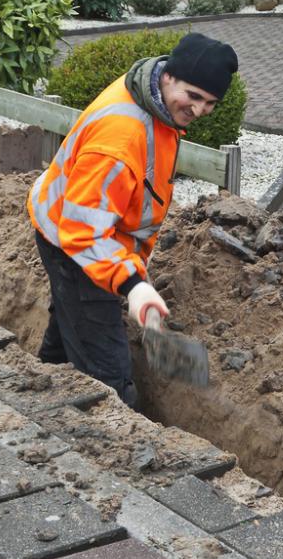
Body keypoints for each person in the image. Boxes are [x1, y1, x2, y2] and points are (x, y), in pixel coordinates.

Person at [29, 33, 239, 408]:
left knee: (71, 322)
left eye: (210, 103)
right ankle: (113, 441)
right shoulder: (120, 138)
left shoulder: (152, 99)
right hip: (73, 243)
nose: (200, 110)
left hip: (85, 226)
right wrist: (131, 285)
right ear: (169, 77)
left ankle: (42, 388)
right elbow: (82, 232)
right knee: (107, 376)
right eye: (193, 96)